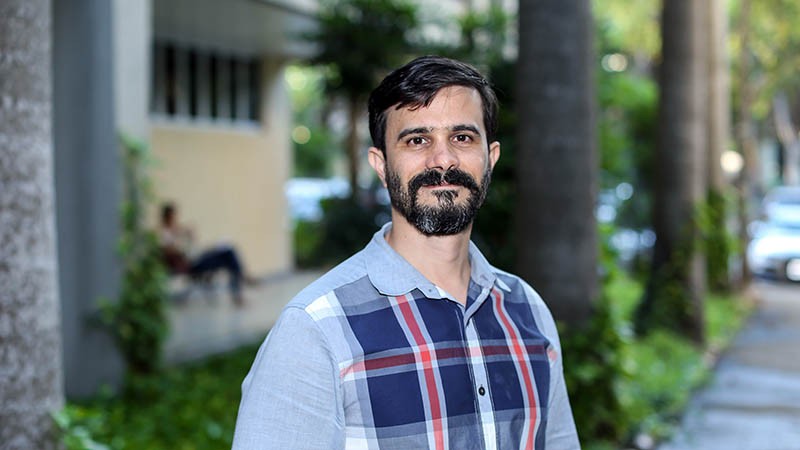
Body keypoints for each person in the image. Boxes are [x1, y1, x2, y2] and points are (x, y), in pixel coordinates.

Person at [233, 56, 580, 449]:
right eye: (417, 140)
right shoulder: (315, 329)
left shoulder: (528, 311)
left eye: (462, 137)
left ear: (491, 158)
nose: (443, 159)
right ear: (381, 165)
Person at [158, 202, 249, 306]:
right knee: (228, 256)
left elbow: (189, 239)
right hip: (191, 265)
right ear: (168, 217)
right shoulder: (164, 233)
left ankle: (240, 285)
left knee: (228, 252)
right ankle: (241, 285)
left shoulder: (175, 230)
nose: (176, 220)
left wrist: (187, 233)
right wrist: (178, 241)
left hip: (195, 258)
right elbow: (169, 252)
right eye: (174, 217)